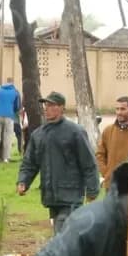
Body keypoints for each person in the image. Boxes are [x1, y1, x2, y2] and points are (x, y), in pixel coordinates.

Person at [17, 92, 98, 234]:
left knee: (62, 233)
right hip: (51, 195)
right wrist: (23, 181)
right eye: (45, 105)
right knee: (64, 234)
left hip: (71, 195)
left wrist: (92, 189)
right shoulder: (39, 134)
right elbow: (30, 163)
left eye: (51, 105)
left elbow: (88, 162)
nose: (46, 108)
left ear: (62, 108)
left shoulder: (75, 132)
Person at [96, 95, 128, 188]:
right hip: (111, 185)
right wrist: (106, 173)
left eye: (122, 109)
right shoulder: (108, 130)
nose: (119, 112)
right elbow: (99, 155)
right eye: (117, 109)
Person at [0, 77, 21, 163]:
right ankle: (6, 157)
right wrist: (12, 111)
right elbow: (17, 106)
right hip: (9, 115)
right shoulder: (15, 92)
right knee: (7, 136)